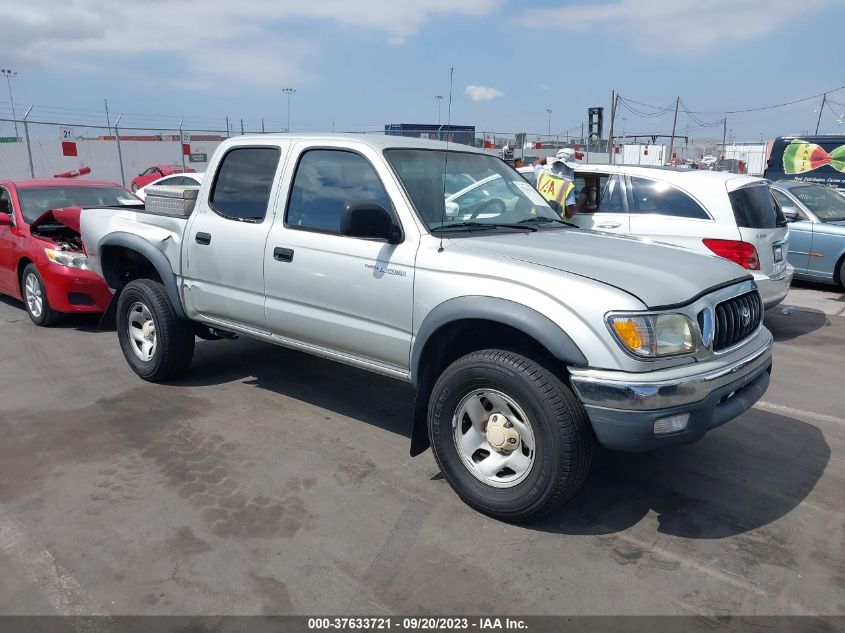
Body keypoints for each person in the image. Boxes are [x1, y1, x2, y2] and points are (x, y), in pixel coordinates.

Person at [532, 148, 589, 219]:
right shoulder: (567, 185)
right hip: (554, 223)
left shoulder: (542, 175)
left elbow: (536, 163)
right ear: (570, 166)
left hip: (535, 218)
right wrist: (582, 200)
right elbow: (569, 213)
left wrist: (555, 157)